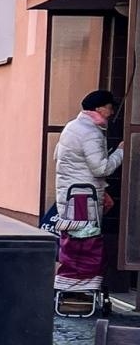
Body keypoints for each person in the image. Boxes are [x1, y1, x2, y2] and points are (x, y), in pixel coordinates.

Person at [53, 89, 125, 299]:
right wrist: (121, 151)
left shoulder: (75, 127)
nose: (112, 112)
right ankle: (79, 291)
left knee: (75, 241)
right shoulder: (90, 132)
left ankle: (70, 290)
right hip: (83, 198)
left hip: (74, 196)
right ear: (99, 108)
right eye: (110, 108)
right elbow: (100, 169)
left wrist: (104, 191)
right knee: (85, 244)